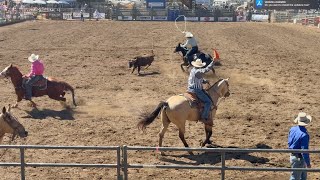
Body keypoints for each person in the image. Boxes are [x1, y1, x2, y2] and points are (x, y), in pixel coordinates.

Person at [187, 58, 214, 124]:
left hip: (190, 88)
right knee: (208, 102)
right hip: (196, 90)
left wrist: (205, 81)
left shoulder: (193, 70)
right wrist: (213, 61)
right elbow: (207, 69)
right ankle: (203, 117)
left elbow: (199, 78)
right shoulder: (198, 71)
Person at [288, 112, 312, 180]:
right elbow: (304, 151)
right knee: (296, 178)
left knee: (300, 176)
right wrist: (308, 163)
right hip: (299, 158)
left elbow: (289, 142)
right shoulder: (304, 135)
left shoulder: (292, 129)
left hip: (294, 155)